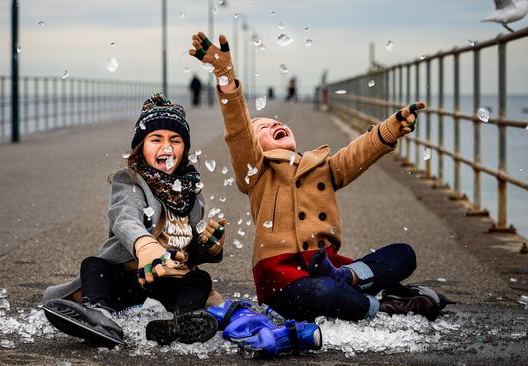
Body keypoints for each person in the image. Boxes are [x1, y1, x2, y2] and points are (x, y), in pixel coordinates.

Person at [188, 32, 452, 325]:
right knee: (325, 293)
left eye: (278, 122)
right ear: (256, 146)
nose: (275, 123)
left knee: (404, 254)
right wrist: (224, 73)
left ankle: (351, 279)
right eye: (263, 127)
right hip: (285, 279)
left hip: (330, 266)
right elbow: (238, 132)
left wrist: (391, 129)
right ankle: (385, 307)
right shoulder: (258, 173)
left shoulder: (320, 167)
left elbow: (356, 154)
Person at [42, 93, 226, 346]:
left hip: (168, 283)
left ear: (184, 150)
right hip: (131, 278)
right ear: (141, 147)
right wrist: (145, 245)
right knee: (94, 266)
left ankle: (182, 322)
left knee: (199, 279)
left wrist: (208, 249)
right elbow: (123, 217)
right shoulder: (130, 181)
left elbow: (188, 250)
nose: (167, 147)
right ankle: (98, 313)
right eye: (156, 139)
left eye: (176, 140)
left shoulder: (192, 193)